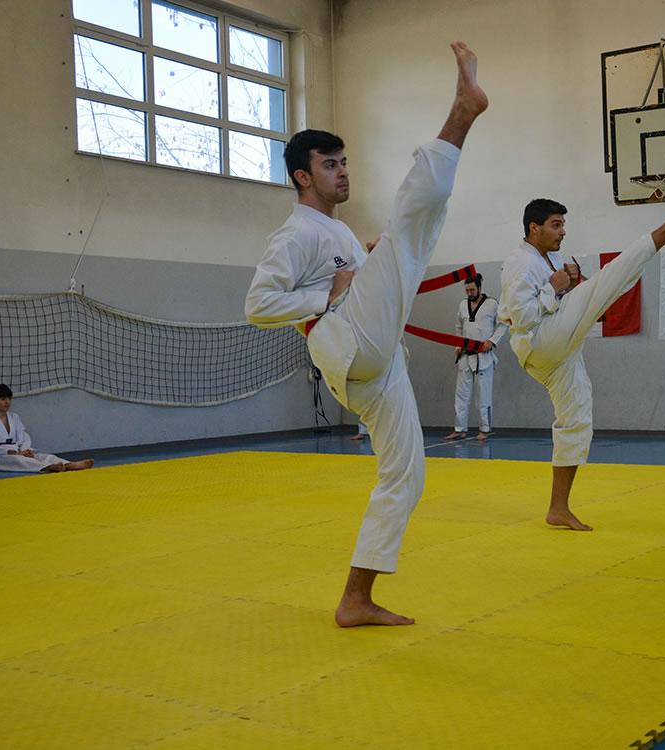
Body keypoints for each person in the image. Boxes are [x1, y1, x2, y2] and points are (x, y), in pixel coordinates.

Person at [244, 41, 487, 626]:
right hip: (347, 343)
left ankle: (355, 597)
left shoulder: (340, 233)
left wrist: (366, 264)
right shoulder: (296, 233)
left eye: (345, 162)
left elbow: (353, 279)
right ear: (302, 176)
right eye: (330, 165)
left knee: (407, 473)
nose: (343, 171)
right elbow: (258, 304)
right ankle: (461, 114)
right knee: (409, 233)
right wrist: (327, 294)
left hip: (375, 363)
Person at [499, 193, 665, 530]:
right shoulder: (520, 263)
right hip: (540, 340)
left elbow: (569, 297)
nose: (563, 232)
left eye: (563, 225)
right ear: (534, 228)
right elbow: (522, 318)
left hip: (555, 353)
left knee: (577, 415)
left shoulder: (550, 257)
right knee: (609, 280)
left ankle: (558, 507)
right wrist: (554, 287)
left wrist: (570, 283)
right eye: (555, 225)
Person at [0, 384, 95, 473]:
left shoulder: (14, 417)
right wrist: (15, 453)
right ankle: (48, 467)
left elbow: (24, 437)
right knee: (19, 460)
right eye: (3, 399)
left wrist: (26, 450)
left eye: (9, 398)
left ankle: (69, 464)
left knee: (42, 456)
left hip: (19, 451)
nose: (7, 402)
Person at [445, 273, 508, 441]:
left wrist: (492, 341)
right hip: (465, 356)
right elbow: (459, 327)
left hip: (483, 357)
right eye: (467, 290)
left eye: (472, 290)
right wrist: (458, 345)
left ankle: (484, 429)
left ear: (480, 288)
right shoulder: (462, 305)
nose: (469, 293)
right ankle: (460, 429)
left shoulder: (492, 304)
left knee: (483, 396)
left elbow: (503, 324)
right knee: (461, 396)